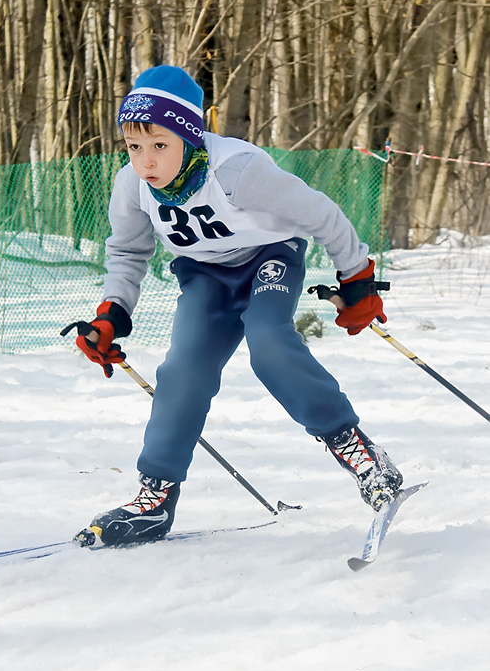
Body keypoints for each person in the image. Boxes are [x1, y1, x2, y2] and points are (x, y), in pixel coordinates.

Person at [65, 65, 402, 546]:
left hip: (269, 258)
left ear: (189, 134)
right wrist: (112, 314)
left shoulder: (237, 170)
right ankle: (155, 497)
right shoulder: (131, 185)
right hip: (204, 275)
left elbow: (321, 213)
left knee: (269, 344)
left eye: (159, 144)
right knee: (182, 369)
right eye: (134, 146)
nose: (146, 161)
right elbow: (127, 252)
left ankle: (358, 450)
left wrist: (356, 278)